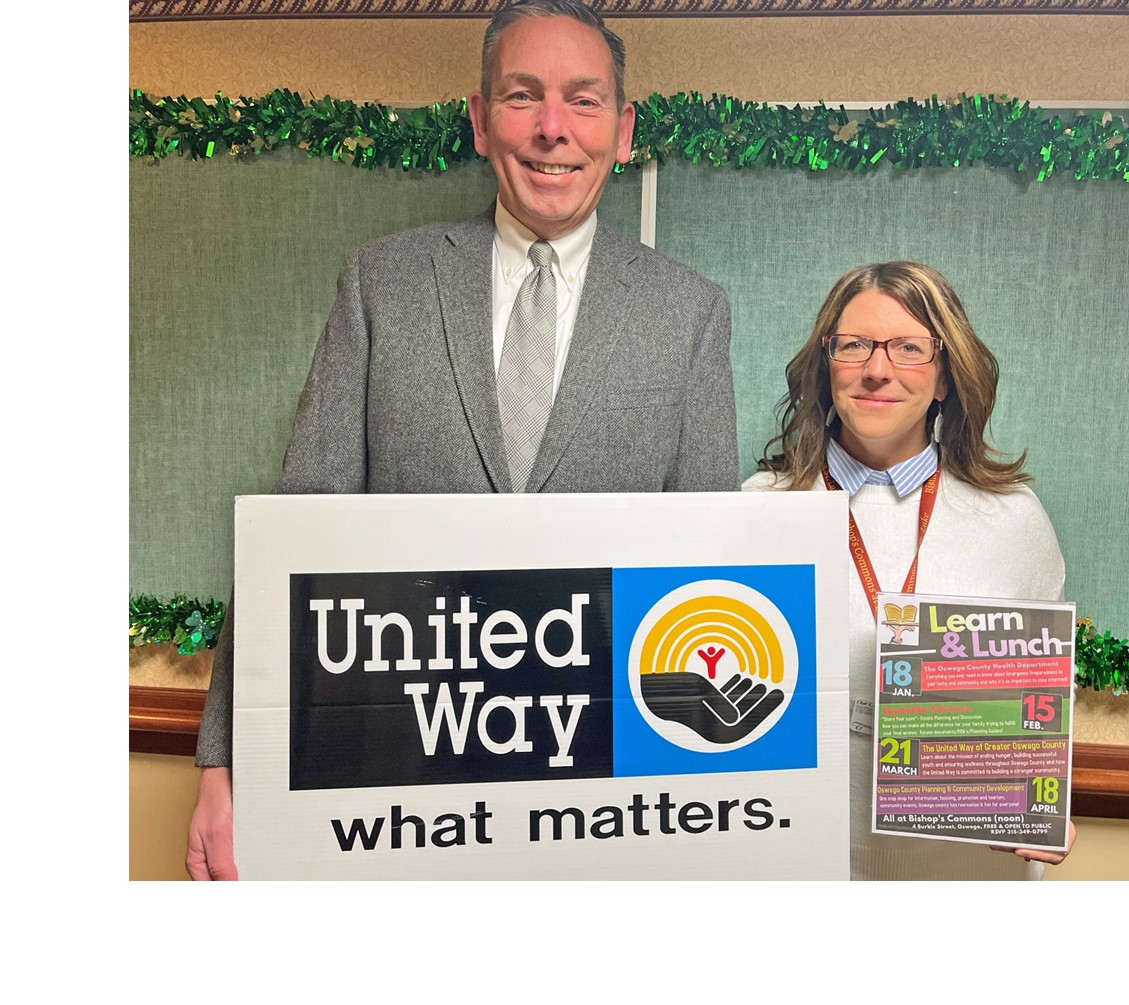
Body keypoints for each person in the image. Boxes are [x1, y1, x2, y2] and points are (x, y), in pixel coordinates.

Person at [185, 0, 738, 880]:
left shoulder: (690, 312)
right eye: (524, 96)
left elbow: (714, 566)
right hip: (394, 781)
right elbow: (298, 525)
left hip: (603, 793)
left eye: (584, 101)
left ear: (623, 130)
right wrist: (224, 756)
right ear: (480, 121)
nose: (553, 129)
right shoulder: (383, 282)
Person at [742, 261, 1074, 880]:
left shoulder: (1014, 519)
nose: (877, 368)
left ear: (946, 377)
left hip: (964, 874)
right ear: (825, 367)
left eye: (909, 348)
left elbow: (1039, 698)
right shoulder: (759, 509)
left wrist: (1044, 802)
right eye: (854, 345)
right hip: (801, 866)